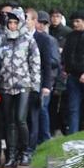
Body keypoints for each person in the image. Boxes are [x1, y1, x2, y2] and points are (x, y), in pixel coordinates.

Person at [0, 7, 40, 167]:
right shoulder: (1, 40)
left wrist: (35, 86)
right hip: (6, 85)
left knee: (21, 119)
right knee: (10, 122)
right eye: (10, 23)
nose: (13, 26)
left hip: (23, 86)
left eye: (16, 22)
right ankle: (11, 154)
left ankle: (26, 151)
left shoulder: (29, 40)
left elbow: (35, 64)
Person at [29, 10, 59, 148]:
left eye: (44, 23)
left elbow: (53, 62)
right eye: (39, 22)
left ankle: (45, 138)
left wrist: (36, 60)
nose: (41, 25)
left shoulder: (49, 40)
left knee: (42, 109)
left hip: (45, 80)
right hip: (32, 80)